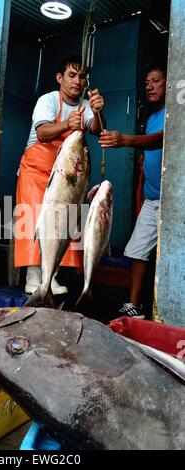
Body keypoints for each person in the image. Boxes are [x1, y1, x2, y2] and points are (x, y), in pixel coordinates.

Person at [14, 55, 105, 295]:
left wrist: (96, 112)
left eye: (82, 76)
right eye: (72, 75)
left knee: (63, 221)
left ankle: (50, 275)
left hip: (65, 174)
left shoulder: (85, 105)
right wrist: (66, 124)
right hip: (36, 169)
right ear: (59, 78)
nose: (78, 81)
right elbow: (43, 133)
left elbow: (96, 129)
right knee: (34, 218)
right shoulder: (48, 100)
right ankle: (33, 278)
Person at [99, 64, 166, 317]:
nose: (149, 85)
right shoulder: (149, 118)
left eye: (156, 81)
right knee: (137, 250)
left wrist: (126, 140)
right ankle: (134, 305)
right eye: (147, 81)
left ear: (168, 84)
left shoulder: (175, 113)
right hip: (151, 197)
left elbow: (162, 138)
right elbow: (151, 146)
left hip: (172, 201)